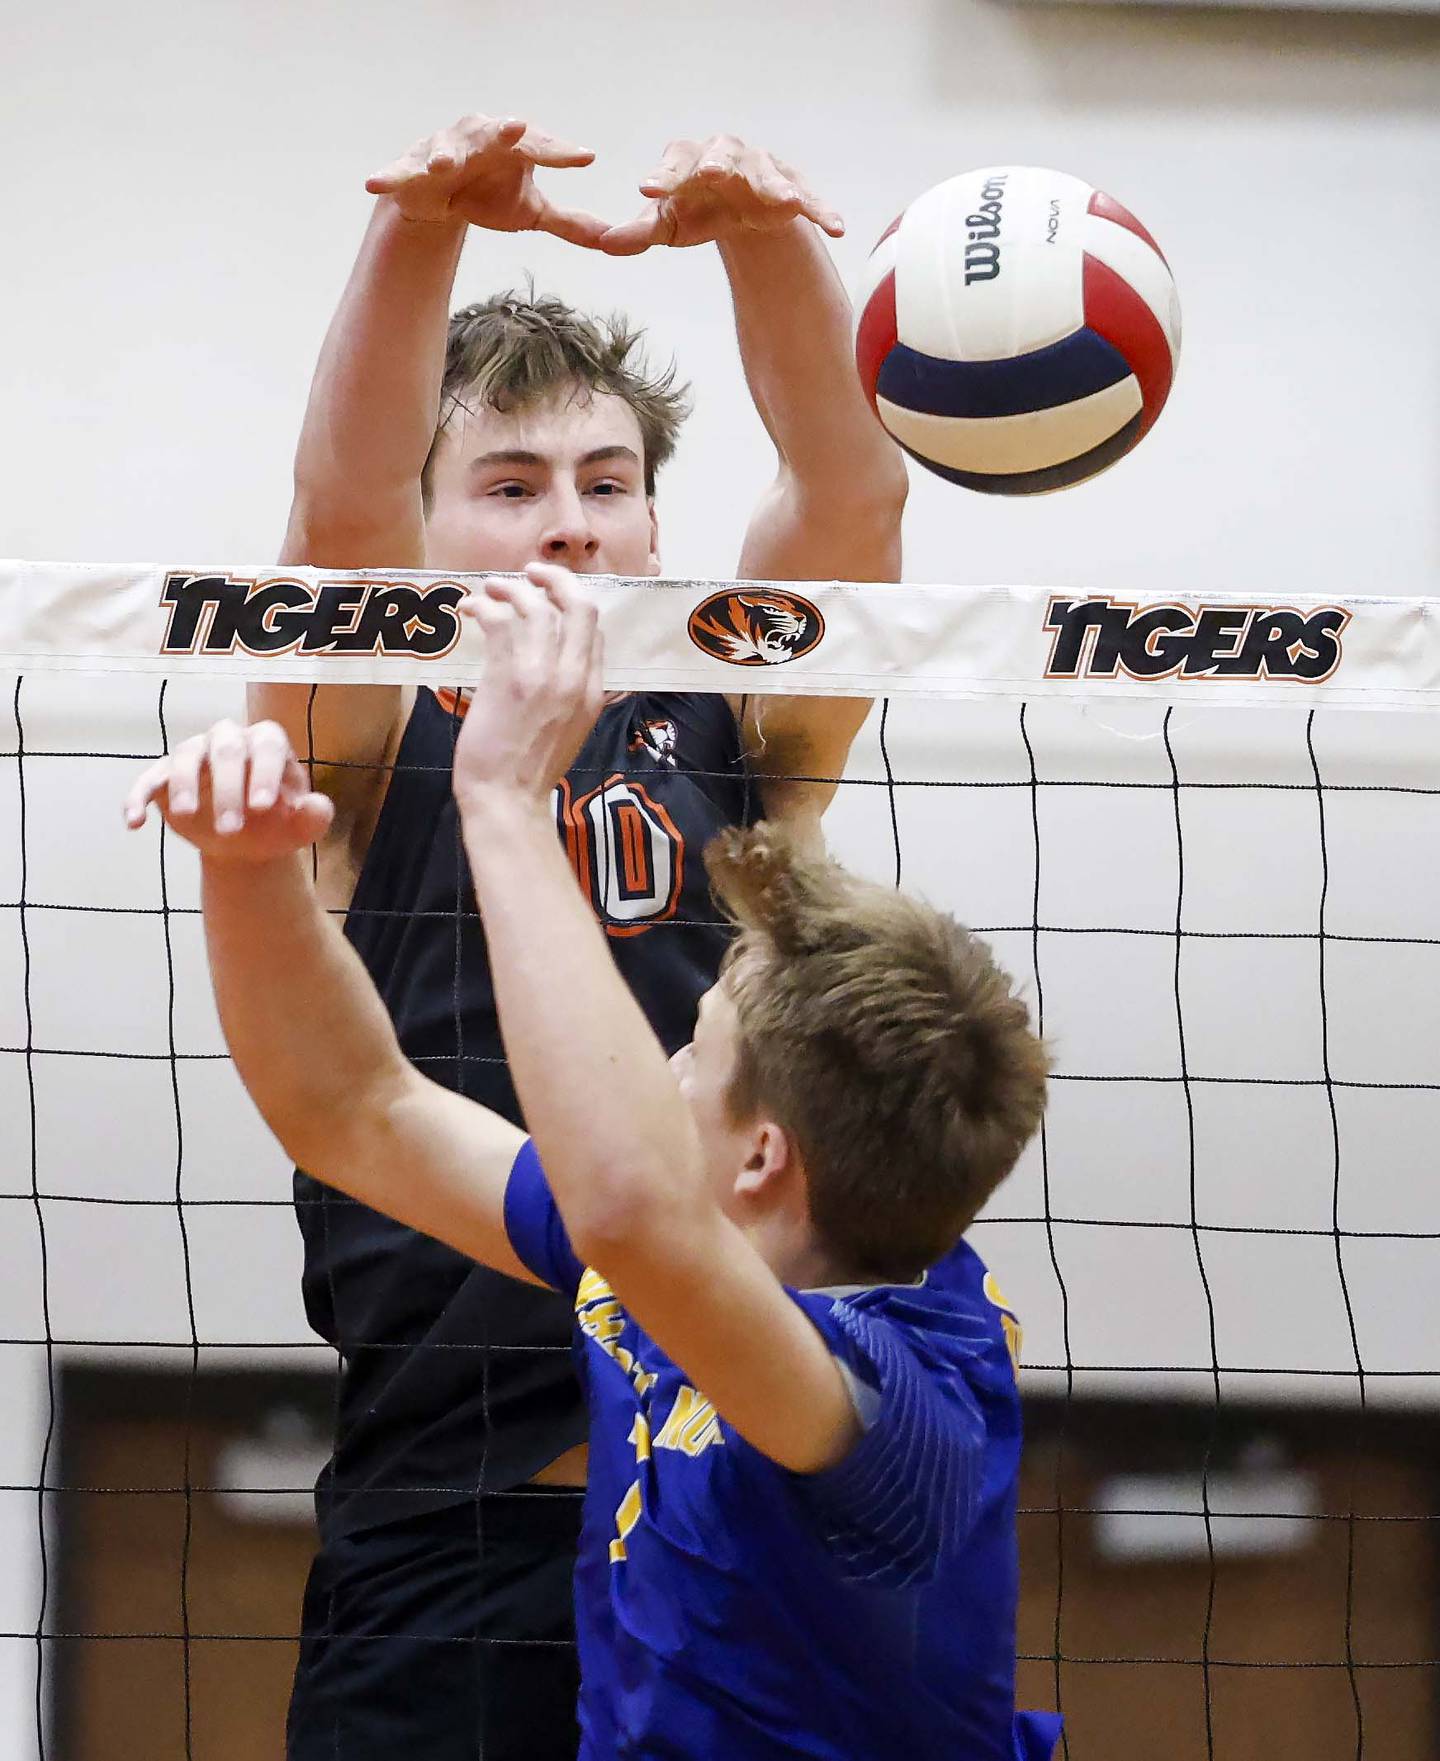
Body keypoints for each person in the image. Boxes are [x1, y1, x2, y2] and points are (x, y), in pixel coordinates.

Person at [124, 560, 1061, 1761]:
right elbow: (355, 1109)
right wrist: (248, 868)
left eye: (697, 1053)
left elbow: (632, 1209)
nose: (669, 1062)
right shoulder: (678, 1264)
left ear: (763, 1156)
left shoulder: (901, 1406)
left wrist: (508, 805)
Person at [246, 112, 908, 1757]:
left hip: (722, 1447)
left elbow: (850, 490)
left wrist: (763, 234)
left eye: (610, 486)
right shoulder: (370, 730)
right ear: (431, 529)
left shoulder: (734, 710)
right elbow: (336, 509)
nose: (573, 524)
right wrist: (424, 225)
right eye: (512, 485)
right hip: (450, 1501)